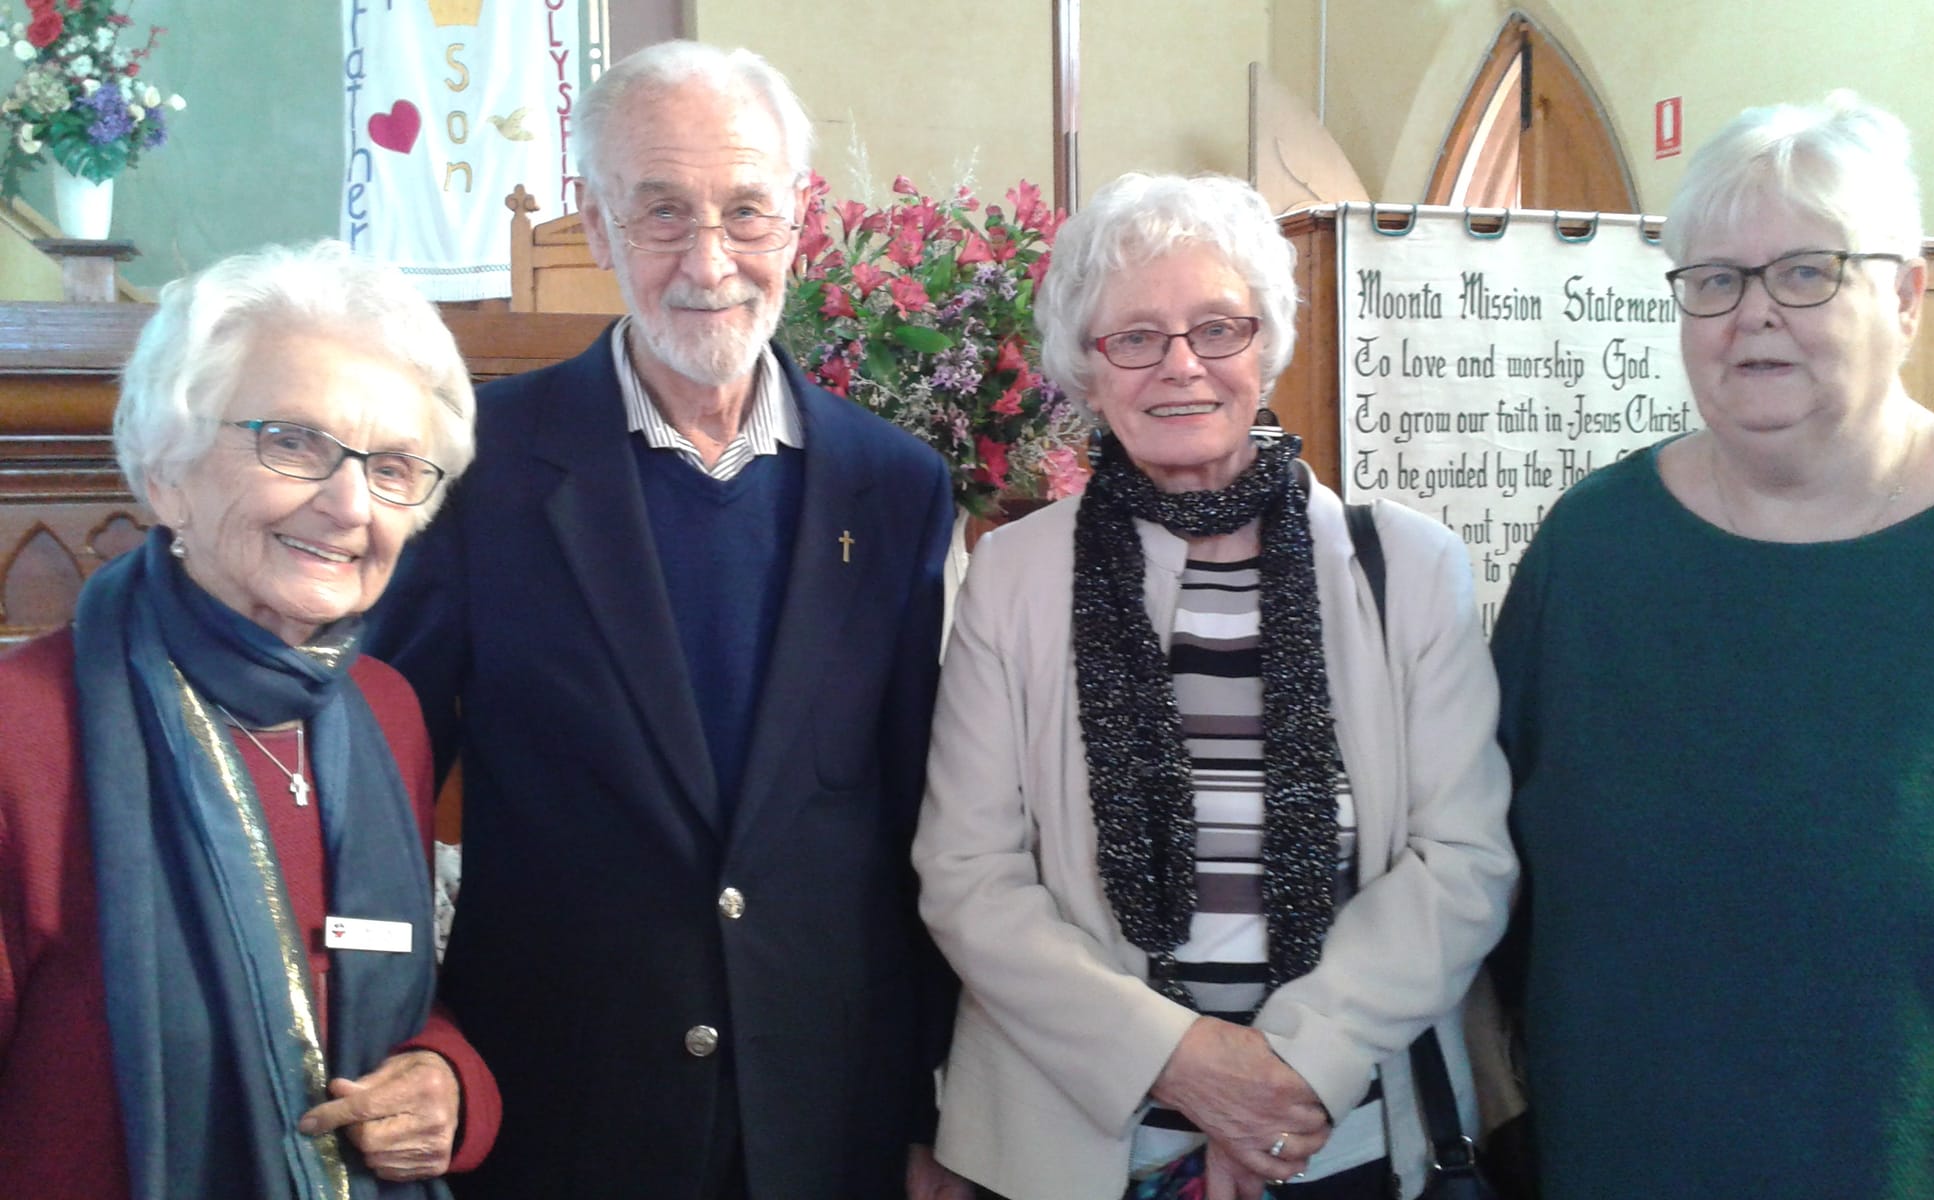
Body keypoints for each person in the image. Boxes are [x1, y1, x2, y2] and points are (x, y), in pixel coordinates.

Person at [364, 39, 958, 1200]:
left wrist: (934, 1101)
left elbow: (917, 827)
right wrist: (406, 1037)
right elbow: (374, 782)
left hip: (825, 1118)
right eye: (662, 213)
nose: (709, 260)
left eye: (744, 212)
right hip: (561, 1113)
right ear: (594, 225)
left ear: (799, 217)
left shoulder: (894, 487)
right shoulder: (482, 474)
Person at [912, 173, 1517, 1200]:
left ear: (1265, 344)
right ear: (1086, 369)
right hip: (1082, 1148)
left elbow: (1460, 860)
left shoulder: (1408, 567)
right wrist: (1186, 1063)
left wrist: (1287, 1069)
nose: (1180, 365)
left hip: (1341, 1132)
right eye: (1134, 338)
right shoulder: (1014, 575)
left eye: (1216, 328)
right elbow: (967, 874)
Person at [1489, 92, 1934, 1198]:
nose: (1750, 314)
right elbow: (1489, 872)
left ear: (1906, 297)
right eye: (1713, 279)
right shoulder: (1592, 550)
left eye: (1806, 270)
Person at [0, 240, 498, 1198]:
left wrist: (448, 1083)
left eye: (394, 466)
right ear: (168, 471)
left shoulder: (382, 711)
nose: (350, 504)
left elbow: (374, 994)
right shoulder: (26, 736)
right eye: (295, 442)